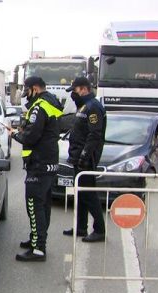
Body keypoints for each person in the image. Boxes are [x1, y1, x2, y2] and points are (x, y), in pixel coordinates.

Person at [5, 76, 62, 261]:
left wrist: (14, 134)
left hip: (39, 164)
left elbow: (32, 136)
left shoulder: (39, 106)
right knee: (43, 205)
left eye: (27, 90)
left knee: (34, 205)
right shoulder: (51, 103)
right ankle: (36, 240)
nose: (25, 94)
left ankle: (38, 249)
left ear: (35, 89)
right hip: (48, 161)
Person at [62, 77, 107, 242]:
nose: (73, 95)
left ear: (83, 89)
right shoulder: (83, 106)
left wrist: (84, 156)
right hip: (78, 156)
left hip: (86, 159)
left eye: (74, 91)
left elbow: (94, 135)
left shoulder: (93, 107)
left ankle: (99, 230)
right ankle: (81, 227)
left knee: (89, 194)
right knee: (80, 194)